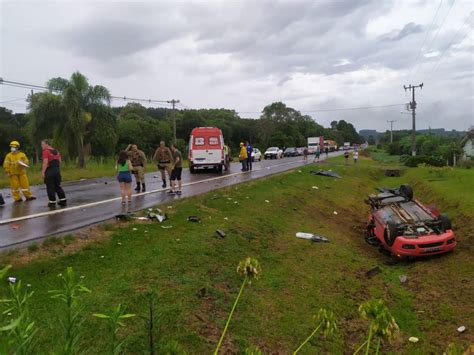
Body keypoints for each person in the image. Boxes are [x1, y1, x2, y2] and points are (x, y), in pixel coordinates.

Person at [41, 139, 66, 207]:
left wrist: (43, 172)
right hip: (57, 170)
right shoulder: (56, 151)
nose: (42, 146)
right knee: (58, 186)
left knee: (50, 186)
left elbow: (45, 162)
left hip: (50, 170)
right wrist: (57, 169)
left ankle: (52, 202)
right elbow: (59, 161)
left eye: (42, 144)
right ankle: (63, 200)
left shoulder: (46, 152)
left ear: (47, 144)